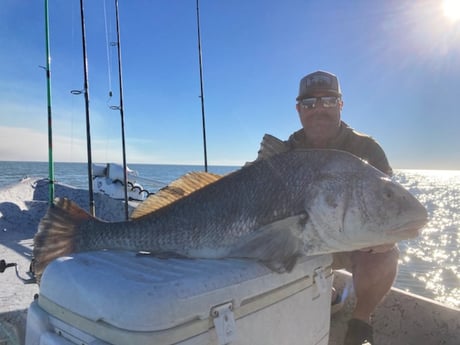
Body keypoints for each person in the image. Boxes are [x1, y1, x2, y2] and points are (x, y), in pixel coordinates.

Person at [254, 70, 399, 345]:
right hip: (299, 240)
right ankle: (327, 295)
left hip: (347, 243)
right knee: (266, 255)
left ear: (341, 105)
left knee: (386, 254)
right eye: (309, 103)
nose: (319, 108)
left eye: (329, 101)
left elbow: (388, 204)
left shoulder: (366, 149)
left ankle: (359, 324)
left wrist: (386, 236)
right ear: (299, 110)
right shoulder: (286, 152)